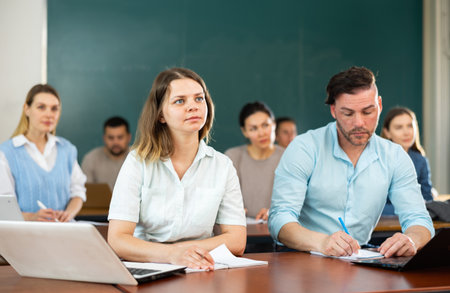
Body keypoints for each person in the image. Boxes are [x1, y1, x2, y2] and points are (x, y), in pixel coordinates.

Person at [269, 66, 434, 259]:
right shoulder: (304, 148)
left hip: (360, 255)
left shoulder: (394, 156)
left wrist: (411, 239)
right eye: (348, 113)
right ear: (334, 110)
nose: (359, 123)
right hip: (303, 254)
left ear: (379, 106)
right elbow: (279, 219)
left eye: (367, 112)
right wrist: (323, 242)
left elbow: (419, 219)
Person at [107, 68, 246, 270]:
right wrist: (171, 255)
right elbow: (118, 239)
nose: (193, 107)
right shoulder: (138, 162)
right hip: (148, 268)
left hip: (201, 268)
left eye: (199, 99)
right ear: (161, 115)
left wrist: (184, 252)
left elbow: (237, 241)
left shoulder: (222, 165)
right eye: (180, 101)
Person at [0, 84, 86, 222]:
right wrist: (31, 217)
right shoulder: (6, 153)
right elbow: (4, 207)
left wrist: (68, 214)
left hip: (64, 233)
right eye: (41, 107)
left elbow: (78, 192)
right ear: (26, 109)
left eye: (54, 109)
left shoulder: (67, 149)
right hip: (24, 237)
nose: (49, 114)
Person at [225, 102, 284, 221]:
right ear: (244, 131)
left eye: (265, 125)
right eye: (253, 129)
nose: (261, 133)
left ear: (274, 124)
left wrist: (275, 212)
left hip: (277, 226)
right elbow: (223, 199)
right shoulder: (233, 156)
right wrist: (232, 210)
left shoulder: (287, 157)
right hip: (241, 227)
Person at [381, 107, 434, 201]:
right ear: (387, 132)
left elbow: (427, 198)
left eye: (410, 126)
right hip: (386, 215)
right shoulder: (379, 160)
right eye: (399, 127)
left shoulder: (421, 160)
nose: (406, 132)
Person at [81, 116, 131, 190]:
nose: (115, 142)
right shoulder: (90, 159)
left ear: (128, 138)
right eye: (111, 138)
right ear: (104, 138)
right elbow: (85, 192)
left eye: (120, 137)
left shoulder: (139, 159)